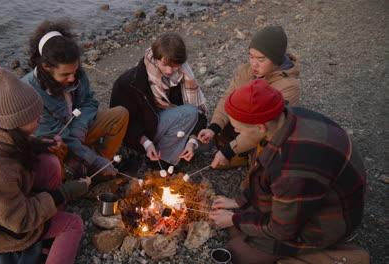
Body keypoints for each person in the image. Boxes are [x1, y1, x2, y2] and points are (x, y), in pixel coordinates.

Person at [0, 68, 92, 263]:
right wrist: (64, 193)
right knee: (73, 225)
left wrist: (38, 143)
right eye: (34, 117)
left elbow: (7, 145)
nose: (40, 118)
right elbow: (20, 221)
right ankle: (49, 233)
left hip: (0, 205)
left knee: (48, 162)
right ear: (16, 122)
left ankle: (48, 223)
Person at [209, 79, 367, 263]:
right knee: (240, 226)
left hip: (329, 219)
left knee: (237, 251)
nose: (237, 132)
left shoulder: (290, 167)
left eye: (238, 129)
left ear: (260, 128)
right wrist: (239, 201)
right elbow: (264, 175)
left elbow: (282, 229)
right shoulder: (289, 116)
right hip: (310, 194)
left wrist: (234, 220)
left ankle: (335, 256)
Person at [22, 20, 129, 181]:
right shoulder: (30, 91)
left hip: (80, 132)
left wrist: (80, 126)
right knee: (54, 149)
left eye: (75, 71)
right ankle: (67, 183)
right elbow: (57, 136)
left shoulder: (75, 72)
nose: (72, 78)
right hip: (58, 142)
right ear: (46, 67)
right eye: (65, 75)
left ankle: (101, 169)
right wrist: (93, 158)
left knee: (120, 114)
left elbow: (90, 102)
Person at [198, 25, 300, 169]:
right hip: (245, 126)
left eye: (261, 59)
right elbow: (228, 98)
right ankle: (240, 152)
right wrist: (214, 127)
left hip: (263, 131)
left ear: (276, 61)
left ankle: (250, 158)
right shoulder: (247, 70)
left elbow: (267, 128)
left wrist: (228, 152)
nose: (253, 63)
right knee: (221, 135)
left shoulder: (289, 86)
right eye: (251, 56)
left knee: (266, 155)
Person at [110, 32, 208, 166]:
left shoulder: (183, 76)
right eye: (165, 64)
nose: (169, 70)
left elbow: (199, 113)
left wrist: (192, 141)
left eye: (175, 65)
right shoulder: (130, 82)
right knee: (191, 114)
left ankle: (164, 158)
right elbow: (124, 122)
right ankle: (157, 160)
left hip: (164, 125)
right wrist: (146, 142)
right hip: (139, 134)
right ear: (156, 58)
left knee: (204, 141)